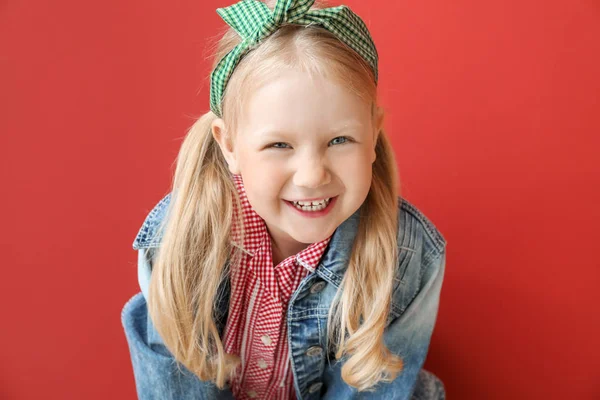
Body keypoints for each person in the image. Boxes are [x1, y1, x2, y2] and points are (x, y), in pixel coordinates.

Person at [121, 0, 448, 399]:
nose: (312, 175)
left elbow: (374, 390)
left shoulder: (407, 255)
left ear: (374, 134)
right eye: (279, 144)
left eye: (340, 140)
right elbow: (175, 387)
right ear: (229, 146)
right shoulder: (181, 239)